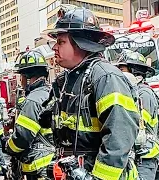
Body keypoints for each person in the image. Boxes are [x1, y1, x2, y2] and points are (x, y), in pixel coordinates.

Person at [42, 5, 140, 179]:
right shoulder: (65, 81)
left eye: (61, 42)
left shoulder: (106, 77)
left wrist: (98, 178)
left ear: (81, 43)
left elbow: (119, 137)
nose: (54, 48)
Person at [113, 50, 159, 180]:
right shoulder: (132, 92)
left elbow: (137, 124)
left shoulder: (144, 94)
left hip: (145, 157)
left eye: (122, 69)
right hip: (136, 155)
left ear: (134, 71)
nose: (119, 73)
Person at [6, 50, 54, 180]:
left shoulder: (33, 100)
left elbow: (22, 138)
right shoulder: (52, 93)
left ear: (26, 77)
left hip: (38, 167)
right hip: (52, 164)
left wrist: (8, 146)